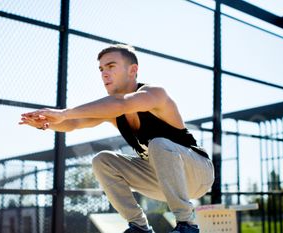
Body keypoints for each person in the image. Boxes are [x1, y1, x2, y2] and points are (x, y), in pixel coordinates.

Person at [19, 44, 214, 233]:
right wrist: (47, 123)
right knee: (102, 160)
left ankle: (187, 225)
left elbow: (122, 104)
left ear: (132, 70)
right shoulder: (113, 112)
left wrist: (64, 112)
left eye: (111, 66)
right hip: (163, 183)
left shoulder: (154, 94)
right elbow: (75, 123)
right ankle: (140, 227)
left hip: (197, 173)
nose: (104, 74)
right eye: (101, 69)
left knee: (159, 143)